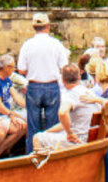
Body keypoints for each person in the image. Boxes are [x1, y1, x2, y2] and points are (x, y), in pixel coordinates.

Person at [17, 12, 70, 154]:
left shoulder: (27, 45)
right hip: (52, 85)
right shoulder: (56, 44)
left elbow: (21, 69)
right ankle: (49, 154)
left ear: (33, 27)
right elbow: (64, 67)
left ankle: (31, 155)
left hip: (34, 85)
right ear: (48, 26)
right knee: (51, 126)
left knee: (32, 126)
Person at [31, 65, 104, 152]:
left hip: (78, 142)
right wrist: (46, 132)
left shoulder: (71, 95)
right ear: (79, 77)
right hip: (92, 139)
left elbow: (62, 113)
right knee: (44, 136)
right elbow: (64, 123)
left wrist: (69, 133)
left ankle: (44, 161)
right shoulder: (89, 93)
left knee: (37, 138)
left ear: (62, 80)